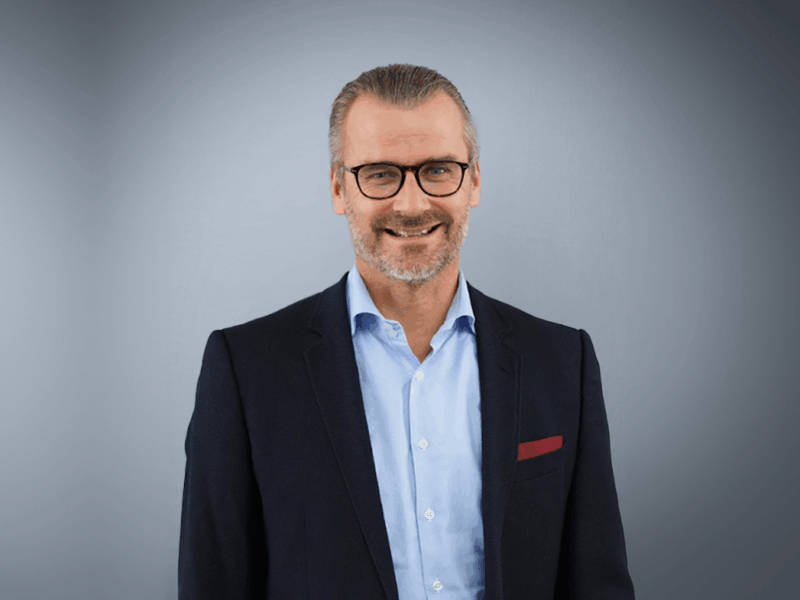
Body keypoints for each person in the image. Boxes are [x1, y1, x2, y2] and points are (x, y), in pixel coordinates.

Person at [178, 64, 635, 599]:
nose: (412, 204)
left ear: (474, 181)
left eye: (438, 170)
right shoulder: (247, 370)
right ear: (339, 188)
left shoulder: (562, 362)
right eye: (379, 173)